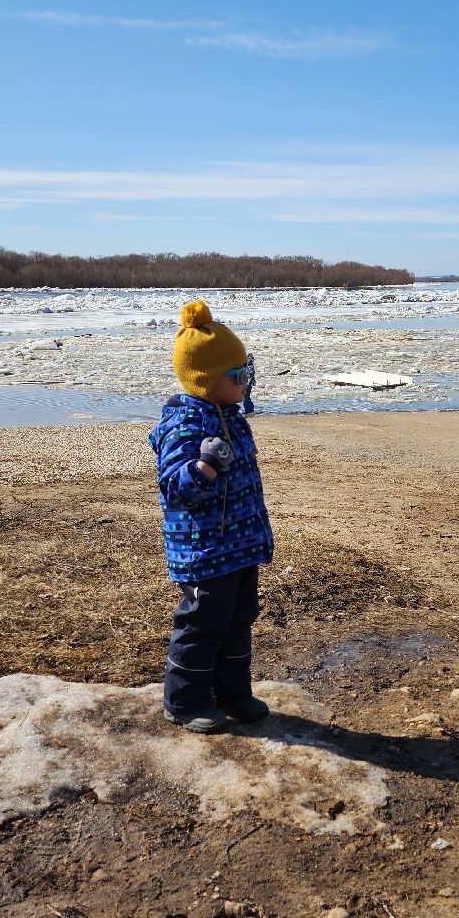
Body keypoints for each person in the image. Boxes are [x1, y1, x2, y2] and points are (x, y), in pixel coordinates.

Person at [149, 300, 272, 734]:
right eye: (238, 376)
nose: (246, 383)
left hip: (239, 547)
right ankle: (184, 701)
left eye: (246, 373)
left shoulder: (231, 416)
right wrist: (204, 467)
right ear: (208, 381)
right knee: (203, 625)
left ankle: (233, 693)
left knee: (239, 623)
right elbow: (174, 486)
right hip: (204, 550)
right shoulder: (185, 424)